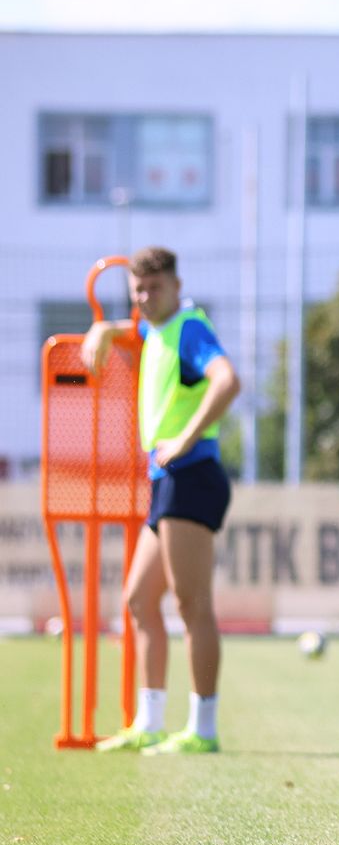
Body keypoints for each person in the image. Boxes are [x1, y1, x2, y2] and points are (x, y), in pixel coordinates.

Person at [80, 246, 240, 756]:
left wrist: (187, 438)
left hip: (191, 474)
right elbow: (136, 332)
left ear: (176, 285)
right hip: (169, 480)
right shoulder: (156, 330)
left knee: (192, 605)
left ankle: (203, 730)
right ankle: (148, 724)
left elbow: (228, 381)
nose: (146, 298)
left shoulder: (189, 328)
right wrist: (104, 329)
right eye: (138, 291)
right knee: (139, 599)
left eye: (155, 288)